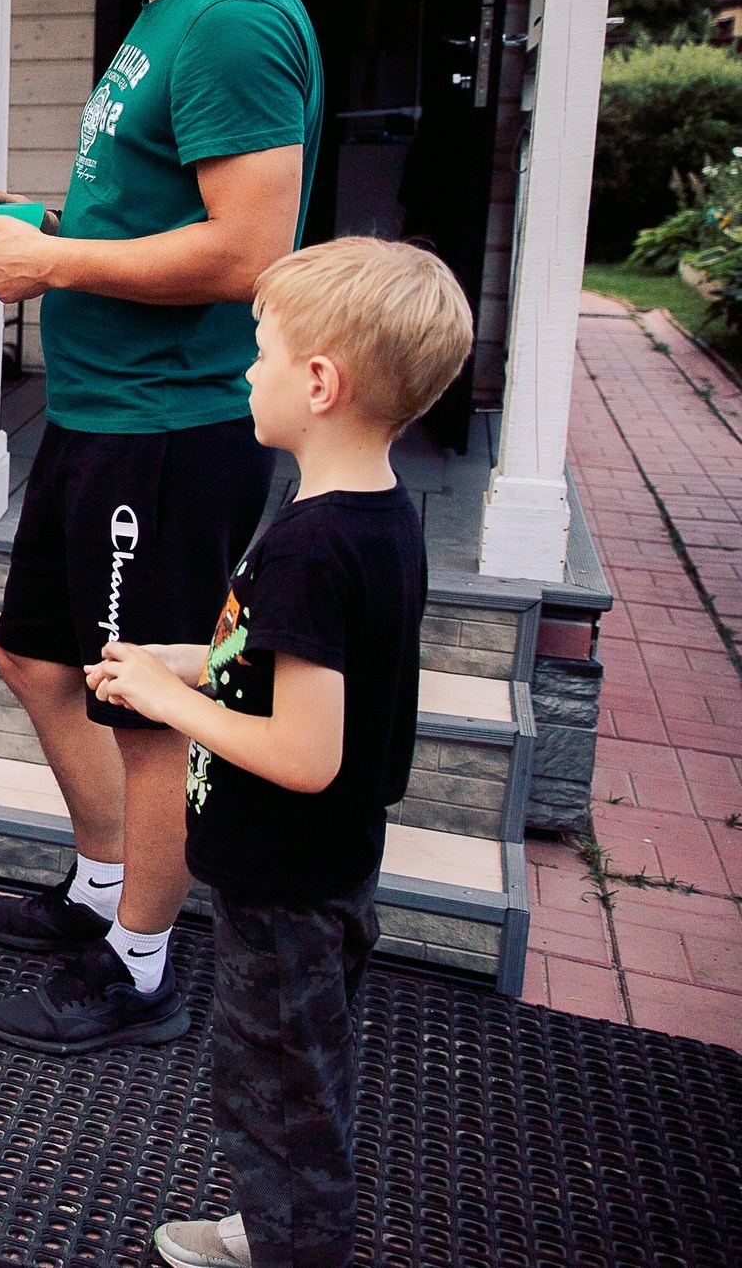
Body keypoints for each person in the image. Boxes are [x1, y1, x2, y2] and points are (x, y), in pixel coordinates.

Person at [0, 0, 321, 1053]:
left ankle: (145, 967)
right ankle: (105, 890)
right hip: (102, 413)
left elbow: (246, 252)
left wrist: (51, 263)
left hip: (170, 430)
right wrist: (53, 225)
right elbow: (162, 214)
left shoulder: (233, 21)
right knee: (36, 656)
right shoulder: (166, 15)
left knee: (147, 705)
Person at [84, 238, 474, 1268]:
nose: (242, 371)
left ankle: (291, 1244)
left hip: (287, 873)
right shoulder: (374, 516)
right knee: (296, 1072)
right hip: (320, 867)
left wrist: (170, 700)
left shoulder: (309, 544)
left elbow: (304, 752)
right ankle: (277, 1229)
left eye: (257, 351)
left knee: (278, 1089)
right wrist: (182, 659)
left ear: (318, 381)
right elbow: (291, 668)